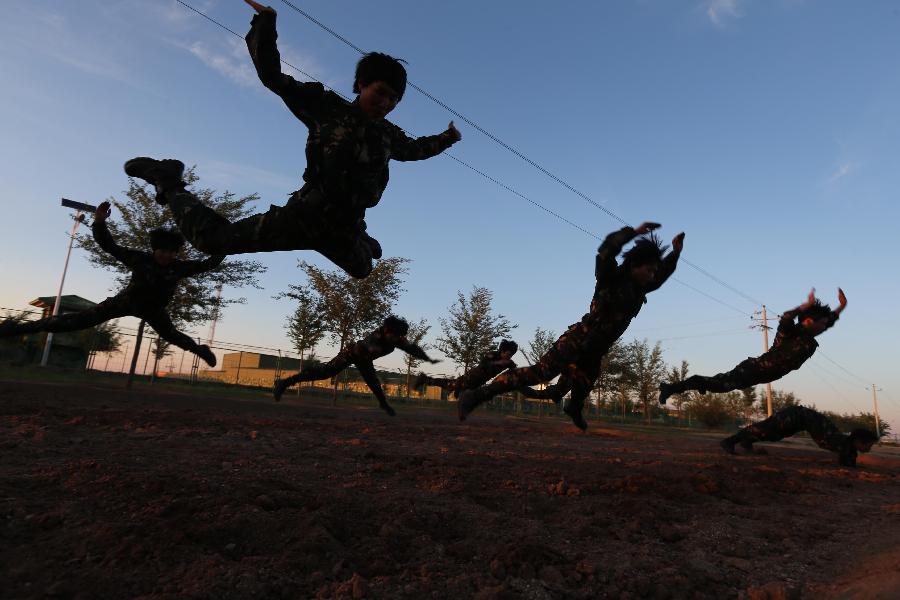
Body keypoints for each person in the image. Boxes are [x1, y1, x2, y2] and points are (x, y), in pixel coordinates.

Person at [124, 0, 461, 279]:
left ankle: (359, 234)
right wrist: (266, 24)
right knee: (212, 241)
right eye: (380, 93)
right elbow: (272, 76)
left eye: (394, 100)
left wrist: (448, 137)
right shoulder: (326, 108)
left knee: (363, 268)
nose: (385, 104)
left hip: (342, 228)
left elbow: (417, 150)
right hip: (303, 218)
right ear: (360, 84)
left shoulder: (388, 135)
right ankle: (168, 181)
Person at [458, 222, 684, 430]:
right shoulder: (611, 277)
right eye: (649, 270)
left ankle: (573, 408)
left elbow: (661, 275)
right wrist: (632, 233)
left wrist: (675, 253)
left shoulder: (640, 288)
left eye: (654, 271)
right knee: (540, 373)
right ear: (635, 264)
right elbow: (606, 250)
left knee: (584, 383)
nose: (652, 275)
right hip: (578, 340)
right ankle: (475, 396)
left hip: (595, 350)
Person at [0, 202, 221, 366]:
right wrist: (99, 222)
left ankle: (201, 350)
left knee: (173, 335)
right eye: (161, 252)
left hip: (154, 310)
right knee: (76, 321)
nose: (165, 256)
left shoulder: (179, 267)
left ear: (175, 254)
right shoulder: (140, 259)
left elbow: (208, 264)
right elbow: (109, 246)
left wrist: (224, 246)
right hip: (125, 302)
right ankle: (16, 329)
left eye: (170, 253)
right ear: (155, 250)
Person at [659, 289, 847, 405]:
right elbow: (787, 317)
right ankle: (673, 388)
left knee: (717, 383)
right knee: (719, 384)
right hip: (752, 370)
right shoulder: (791, 332)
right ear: (807, 321)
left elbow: (829, 319)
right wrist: (805, 305)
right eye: (821, 324)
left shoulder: (809, 334)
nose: (824, 327)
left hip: (760, 375)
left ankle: (701, 383)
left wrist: (841, 306)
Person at [273, 316, 439, 415]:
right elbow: (366, 346)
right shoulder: (377, 335)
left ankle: (383, 404)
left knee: (374, 383)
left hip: (365, 360)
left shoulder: (397, 339)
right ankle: (285, 383)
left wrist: (428, 359)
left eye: (398, 337)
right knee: (324, 373)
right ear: (386, 331)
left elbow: (413, 349)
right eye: (394, 336)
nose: (396, 339)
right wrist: (371, 349)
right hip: (353, 353)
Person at [719, 405, 878, 467]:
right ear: (858, 441)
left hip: (799, 419)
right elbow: (848, 464)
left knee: (773, 434)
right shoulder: (845, 445)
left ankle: (746, 441)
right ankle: (730, 441)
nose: (869, 449)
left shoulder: (845, 443)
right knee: (767, 429)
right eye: (868, 445)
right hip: (797, 416)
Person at [414, 339, 518, 398]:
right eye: (508, 354)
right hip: (473, 377)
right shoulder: (492, 355)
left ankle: (458, 391)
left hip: (480, 382)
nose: (509, 357)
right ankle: (425, 379)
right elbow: (483, 364)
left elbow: (515, 370)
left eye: (511, 355)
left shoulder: (509, 362)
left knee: (459, 389)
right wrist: (499, 362)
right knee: (451, 385)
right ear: (502, 351)